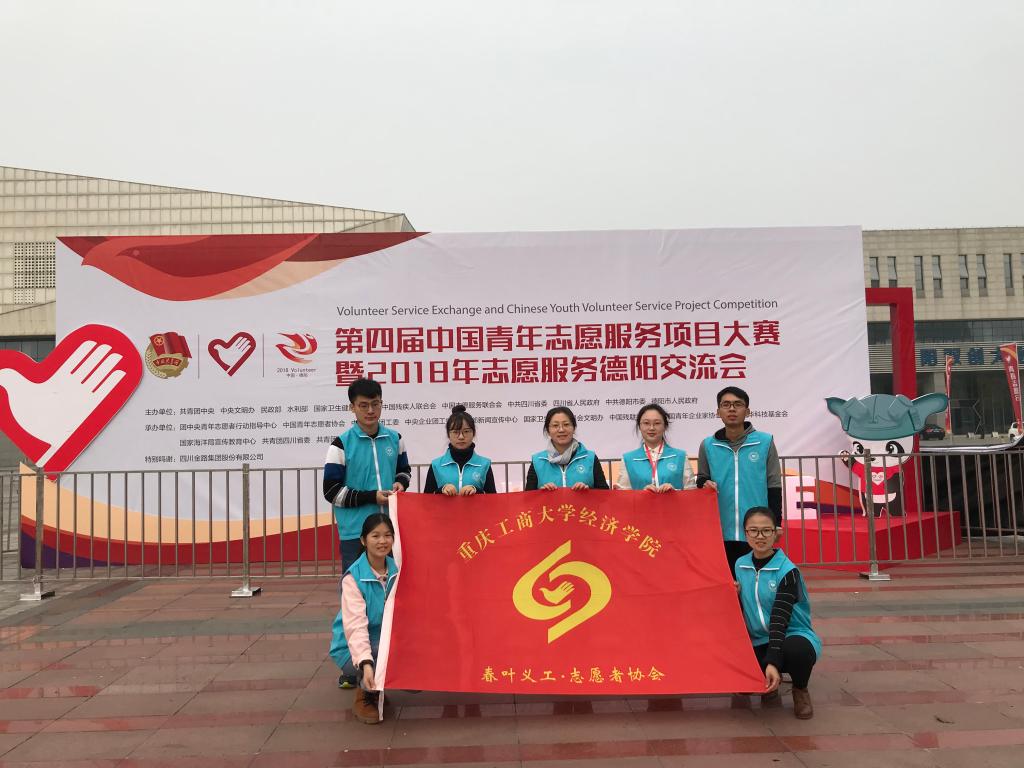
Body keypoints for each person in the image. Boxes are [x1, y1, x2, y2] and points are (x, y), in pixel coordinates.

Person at [322, 377, 410, 688]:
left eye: (375, 404)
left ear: (381, 404)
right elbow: (332, 491)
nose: (370, 411)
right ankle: (353, 664)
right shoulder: (341, 444)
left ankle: (389, 658)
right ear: (352, 408)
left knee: (392, 594)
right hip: (355, 535)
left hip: (389, 531)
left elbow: (404, 471)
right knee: (355, 597)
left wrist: (400, 484)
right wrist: (372, 496)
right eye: (363, 405)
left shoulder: (394, 438)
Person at [734, 507, 820, 719]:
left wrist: (773, 661)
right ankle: (770, 679)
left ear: (776, 533)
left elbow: (780, 619)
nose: (760, 536)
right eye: (753, 530)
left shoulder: (787, 571)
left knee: (797, 651)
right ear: (745, 533)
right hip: (757, 638)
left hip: (791, 634)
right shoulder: (740, 565)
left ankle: (800, 689)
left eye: (766, 530)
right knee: (740, 678)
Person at [696, 386, 782, 572]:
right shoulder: (708, 445)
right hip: (720, 528)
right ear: (718, 411)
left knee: (753, 580)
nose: (732, 409)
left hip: (755, 529)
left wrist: (776, 523)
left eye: (737, 404)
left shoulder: (764, 442)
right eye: (726, 405)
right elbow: (701, 478)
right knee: (726, 581)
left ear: (747, 411)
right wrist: (704, 483)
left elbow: (774, 485)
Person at [329, 513, 398, 725]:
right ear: (363, 540)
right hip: (351, 647)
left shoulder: (399, 570)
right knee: (376, 655)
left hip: (385, 639)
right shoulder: (353, 578)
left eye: (387, 535)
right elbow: (356, 626)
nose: (382, 541)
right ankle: (365, 691)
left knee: (415, 679)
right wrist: (366, 663)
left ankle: (378, 685)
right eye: (375, 536)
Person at [525, 406, 609, 490]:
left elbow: (604, 494)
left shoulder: (590, 458)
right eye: (555, 425)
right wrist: (541, 493)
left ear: (574, 428)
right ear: (548, 430)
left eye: (566, 424)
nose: (561, 430)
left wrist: (588, 491)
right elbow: (528, 496)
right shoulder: (538, 461)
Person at [616, 403, 692, 491]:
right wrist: (641, 494)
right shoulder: (628, 459)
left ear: (665, 426)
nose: (651, 428)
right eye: (646, 423)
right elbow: (623, 496)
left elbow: (692, 493)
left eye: (657, 423)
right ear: (639, 426)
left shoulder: (680, 457)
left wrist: (674, 492)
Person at [423, 405, 497, 495]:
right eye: (455, 432)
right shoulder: (436, 465)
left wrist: (477, 491)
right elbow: (426, 500)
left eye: (466, 431)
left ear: (473, 433)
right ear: (448, 434)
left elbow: (493, 499)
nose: (461, 437)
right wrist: (441, 490)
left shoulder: (484, 464)